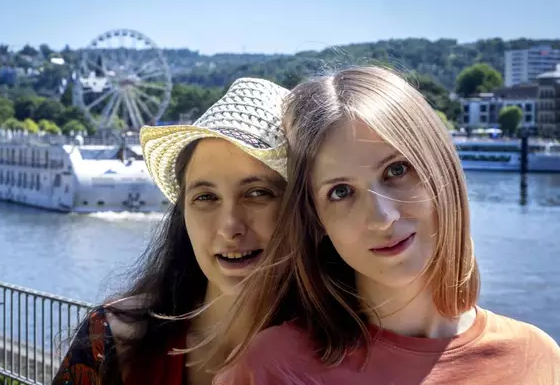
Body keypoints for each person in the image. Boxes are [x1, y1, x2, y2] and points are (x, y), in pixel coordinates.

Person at [212, 66, 560, 384]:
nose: (383, 216)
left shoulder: (537, 360)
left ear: (441, 168)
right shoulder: (270, 369)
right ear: (316, 221)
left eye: (396, 170)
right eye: (341, 191)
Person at [51, 77, 291, 385]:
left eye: (258, 193)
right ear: (183, 214)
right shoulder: (111, 340)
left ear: (300, 210)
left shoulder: (348, 359)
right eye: (205, 197)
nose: (230, 226)